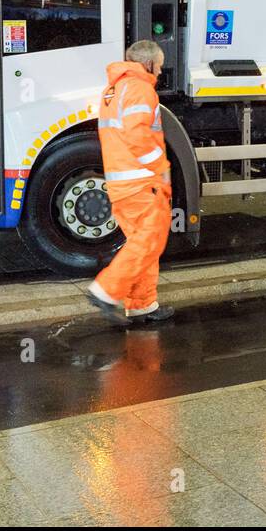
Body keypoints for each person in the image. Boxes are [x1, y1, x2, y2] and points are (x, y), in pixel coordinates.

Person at [87, 40, 175, 325]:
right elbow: (137, 135)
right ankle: (106, 290)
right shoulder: (140, 89)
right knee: (148, 241)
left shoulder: (113, 91)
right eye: (159, 66)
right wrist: (160, 167)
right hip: (141, 182)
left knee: (144, 244)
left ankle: (141, 306)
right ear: (148, 63)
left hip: (122, 183)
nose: (160, 72)